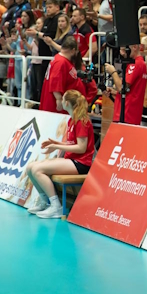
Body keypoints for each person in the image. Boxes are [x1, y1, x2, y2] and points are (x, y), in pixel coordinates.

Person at [24, 89, 96, 219]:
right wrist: (56, 142)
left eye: (62, 99)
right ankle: (44, 201)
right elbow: (72, 143)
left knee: (37, 170)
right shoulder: (71, 120)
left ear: (67, 103)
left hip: (81, 163)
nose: (61, 101)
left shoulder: (82, 121)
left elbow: (81, 148)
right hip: (71, 160)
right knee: (30, 168)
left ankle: (55, 206)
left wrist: (56, 146)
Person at [105, 43, 147, 126]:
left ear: (134, 47)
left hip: (126, 115)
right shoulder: (140, 63)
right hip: (129, 114)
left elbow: (122, 87)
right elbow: (131, 90)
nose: (122, 53)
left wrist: (113, 72)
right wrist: (114, 92)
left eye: (124, 50)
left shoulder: (136, 63)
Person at [39, 37, 84, 113]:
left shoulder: (62, 60)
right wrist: (58, 99)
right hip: (55, 107)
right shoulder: (60, 62)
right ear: (73, 51)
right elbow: (55, 81)